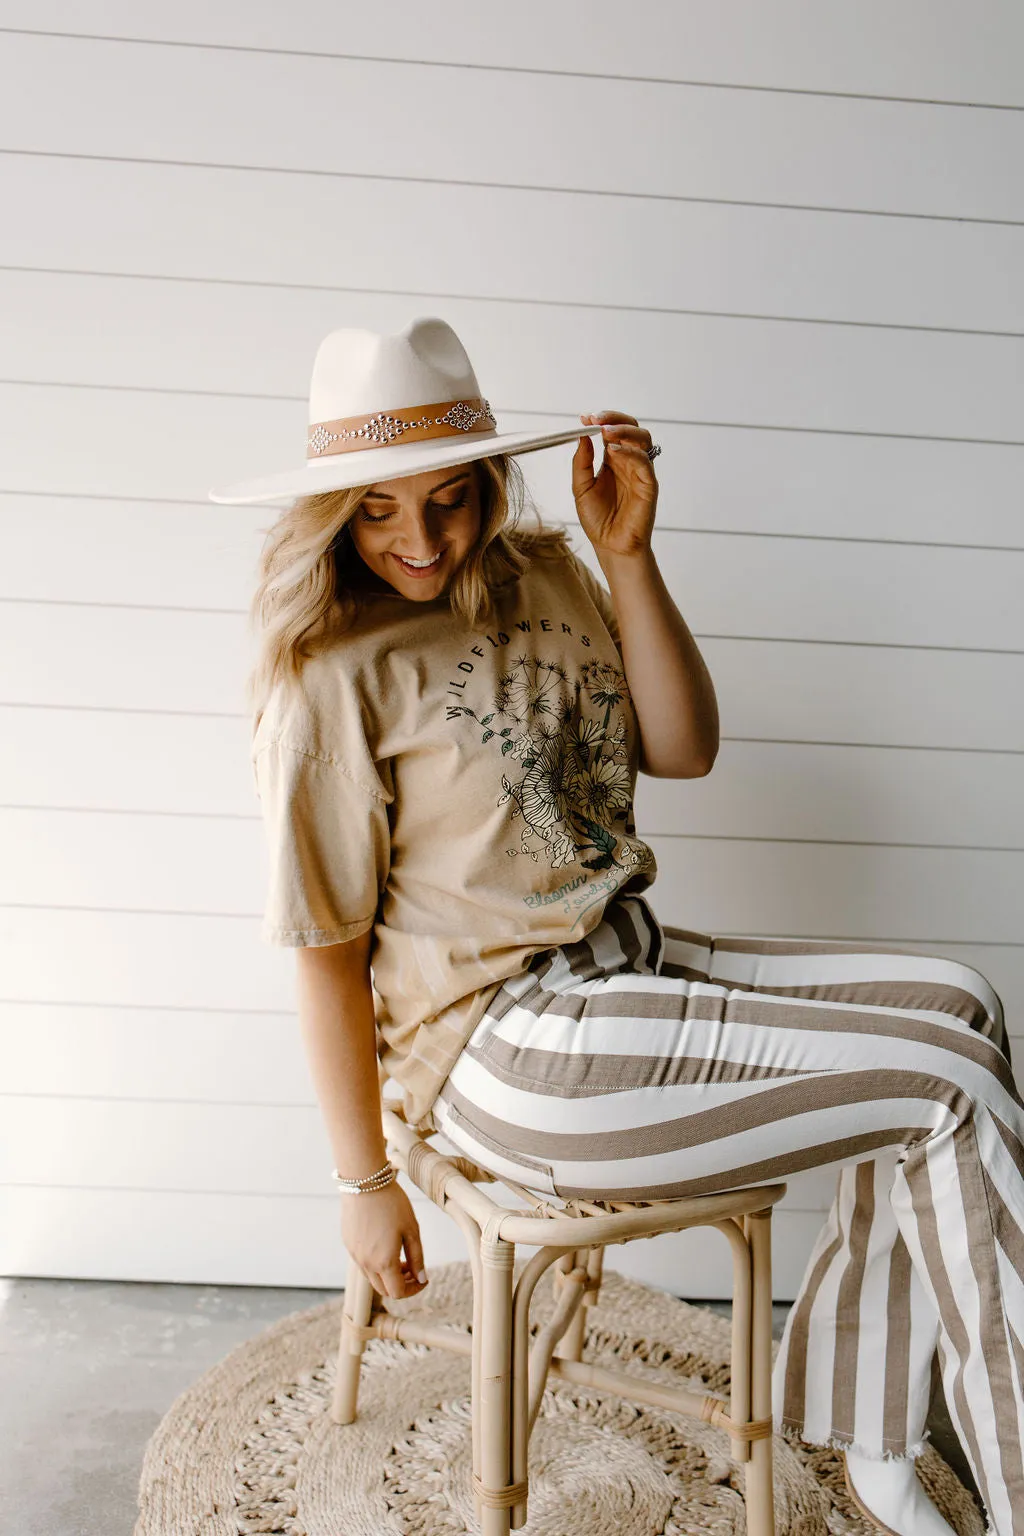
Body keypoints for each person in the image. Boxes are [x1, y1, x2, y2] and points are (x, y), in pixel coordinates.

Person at [211, 316, 1023, 1536]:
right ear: (334, 514)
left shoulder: (544, 569)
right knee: (947, 1082)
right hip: (509, 1051)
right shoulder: (330, 670)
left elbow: (682, 748)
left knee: (960, 1003)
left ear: (485, 479)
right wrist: (362, 1180)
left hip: (628, 963)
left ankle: (872, 1442)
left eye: (445, 498)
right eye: (377, 511)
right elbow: (325, 956)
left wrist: (629, 555)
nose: (420, 541)